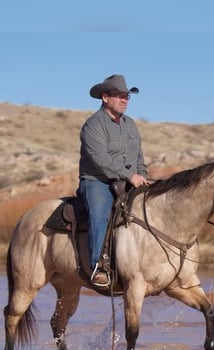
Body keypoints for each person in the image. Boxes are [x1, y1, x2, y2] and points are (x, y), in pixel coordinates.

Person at [78, 74, 150, 288]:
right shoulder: (93, 125)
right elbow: (101, 160)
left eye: (126, 96)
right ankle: (99, 265)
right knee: (100, 213)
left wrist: (142, 175)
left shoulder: (131, 125)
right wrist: (130, 176)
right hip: (97, 181)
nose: (124, 100)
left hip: (129, 181)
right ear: (105, 97)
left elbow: (139, 157)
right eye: (119, 96)